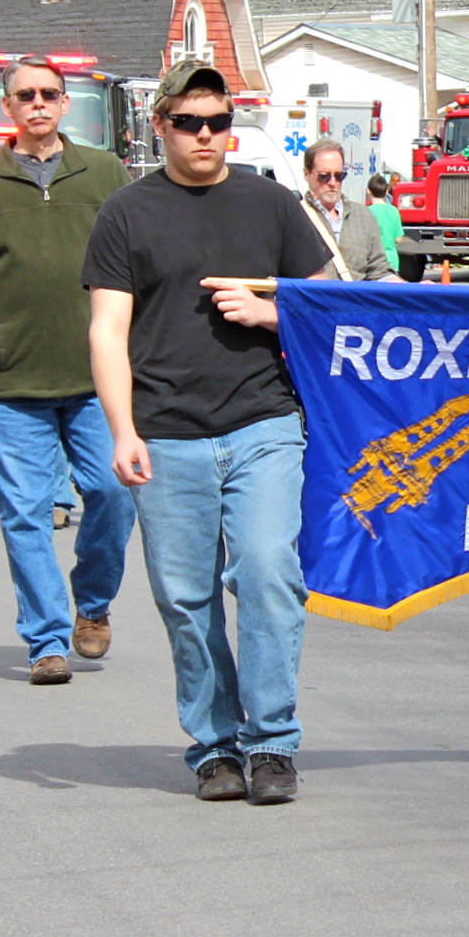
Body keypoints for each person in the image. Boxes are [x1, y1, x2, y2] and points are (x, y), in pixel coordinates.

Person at [85, 61, 334, 805]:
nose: (205, 136)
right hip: (166, 433)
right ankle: (214, 745)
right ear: (160, 125)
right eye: (190, 123)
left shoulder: (271, 203)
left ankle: (272, 742)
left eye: (218, 123)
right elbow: (106, 330)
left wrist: (271, 312)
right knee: (186, 599)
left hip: (263, 421)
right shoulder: (125, 214)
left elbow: (330, 307)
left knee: (265, 572)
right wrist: (122, 430)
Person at [0, 54, 138, 685]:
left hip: (97, 378)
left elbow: (141, 271)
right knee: (24, 513)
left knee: (111, 494)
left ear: (65, 103)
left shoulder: (105, 174)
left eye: (49, 93)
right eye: (26, 95)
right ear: (8, 108)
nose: (38, 104)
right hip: (8, 381)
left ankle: (93, 602)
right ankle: (46, 639)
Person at [301, 141, 398, 280]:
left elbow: (379, 272)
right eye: (324, 176)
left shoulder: (363, 216)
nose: (333, 182)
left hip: (353, 301)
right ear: (306, 174)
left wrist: (413, 289)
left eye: (339, 175)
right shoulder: (293, 217)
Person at [366, 173, 405, 268]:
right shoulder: (394, 210)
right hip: (392, 260)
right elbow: (398, 239)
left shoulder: (368, 211)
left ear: (368, 191)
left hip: (374, 260)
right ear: (386, 191)